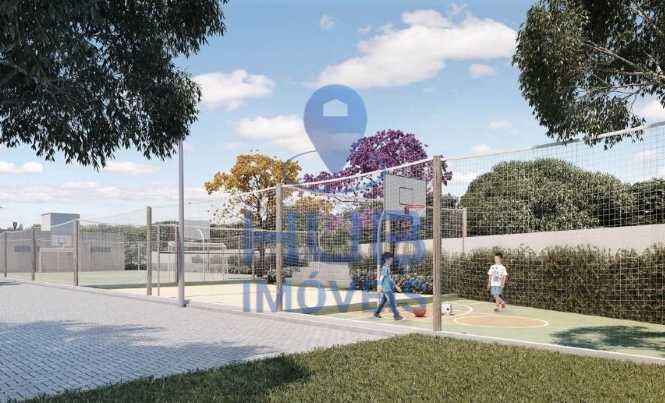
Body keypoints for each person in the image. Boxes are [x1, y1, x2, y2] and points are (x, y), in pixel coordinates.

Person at [374, 252, 403, 320]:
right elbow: (381, 278)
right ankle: (396, 315)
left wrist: (396, 286)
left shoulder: (387, 268)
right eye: (391, 259)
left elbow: (390, 279)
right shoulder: (385, 268)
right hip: (387, 288)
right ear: (387, 259)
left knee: (383, 302)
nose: (392, 261)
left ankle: (376, 313)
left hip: (387, 288)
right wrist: (379, 287)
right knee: (392, 302)